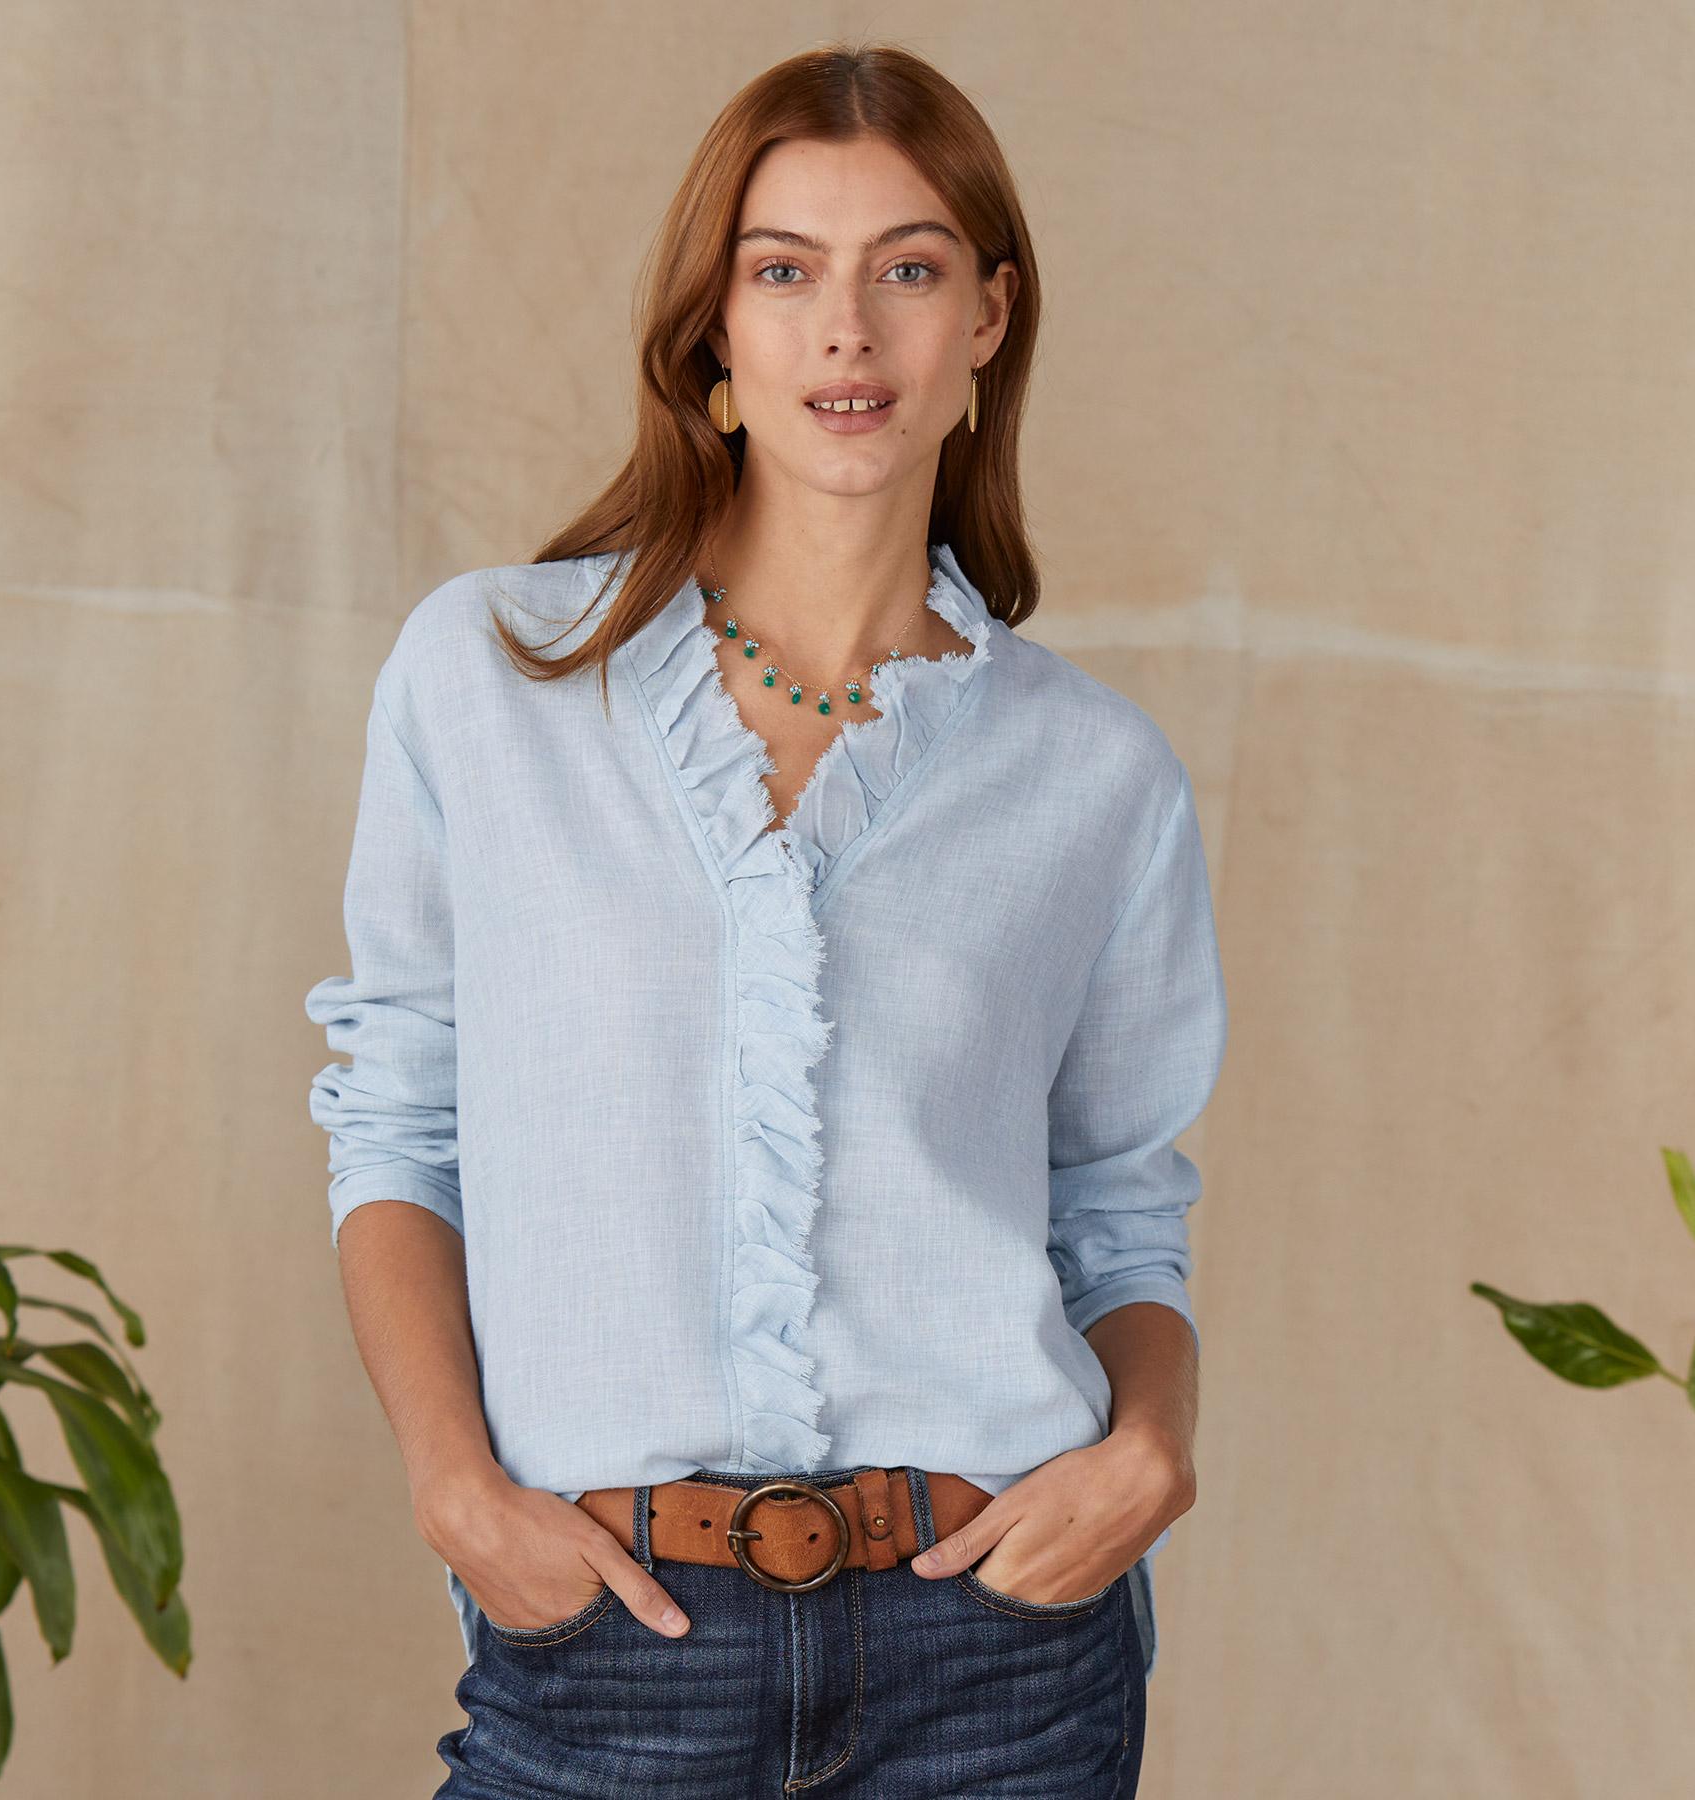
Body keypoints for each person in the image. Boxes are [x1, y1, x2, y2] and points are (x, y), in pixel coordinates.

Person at [305, 39, 1227, 1799]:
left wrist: (1153, 1452)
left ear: (989, 318)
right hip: (608, 1629)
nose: (847, 333)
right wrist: (452, 1483)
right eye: (785, 271)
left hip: (1001, 1651)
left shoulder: (1096, 776)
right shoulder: (489, 677)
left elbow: (1117, 1211)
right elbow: (398, 1125)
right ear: (714, 329)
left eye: (911, 270)